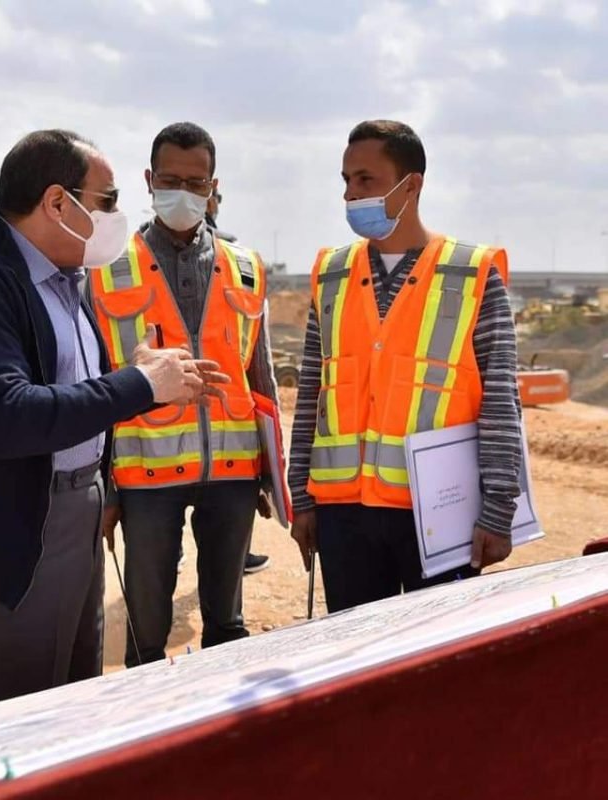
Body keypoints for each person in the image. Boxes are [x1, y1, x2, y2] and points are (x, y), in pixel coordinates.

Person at [0, 129, 224, 709]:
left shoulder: (63, 277)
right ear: (57, 202)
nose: (117, 216)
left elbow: (69, 390)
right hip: (6, 535)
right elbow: (9, 416)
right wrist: (140, 385)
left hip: (74, 516)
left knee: (75, 707)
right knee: (20, 718)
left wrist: (141, 381)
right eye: (106, 201)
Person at [287, 119, 521, 613]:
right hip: (343, 513)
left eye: (365, 180)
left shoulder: (471, 274)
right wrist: (301, 497)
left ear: (410, 185)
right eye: (346, 180)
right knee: (356, 652)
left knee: (438, 654)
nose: (350, 194)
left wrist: (499, 508)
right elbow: (313, 389)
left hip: (440, 513)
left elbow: (501, 399)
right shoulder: (331, 274)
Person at [92, 122, 279, 667]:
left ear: (212, 187)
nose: (183, 193)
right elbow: (96, 380)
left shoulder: (245, 266)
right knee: (147, 633)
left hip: (233, 470)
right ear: (149, 180)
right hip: (146, 476)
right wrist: (106, 486)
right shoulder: (107, 268)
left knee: (228, 624)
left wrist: (269, 472)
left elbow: (261, 375)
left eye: (196, 184)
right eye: (170, 180)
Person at [204, 187, 271, 576]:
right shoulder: (233, 252)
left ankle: (237, 555)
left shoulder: (236, 256)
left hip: (228, 411)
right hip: (206, 408)